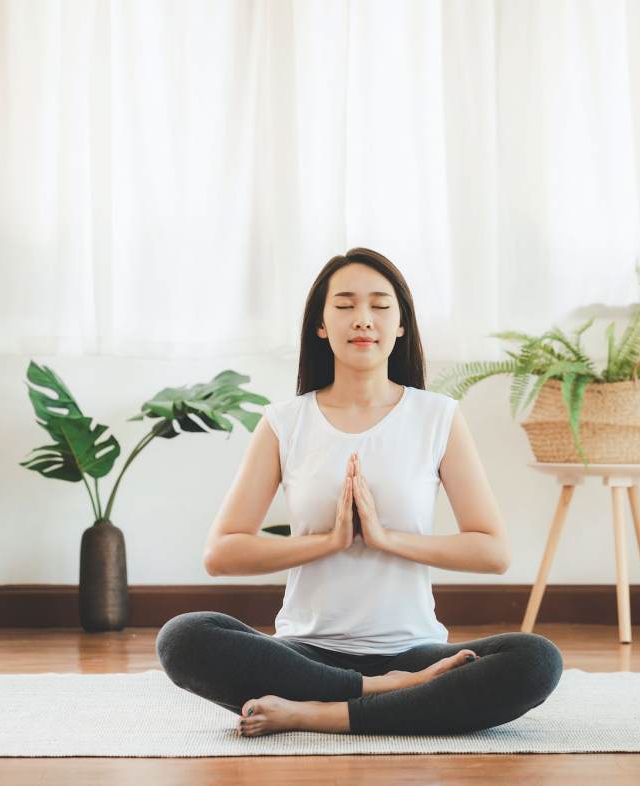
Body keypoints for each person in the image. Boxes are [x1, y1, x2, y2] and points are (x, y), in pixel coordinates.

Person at [156, 248, 562, 737]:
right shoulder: (284, 422)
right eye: (345, 305)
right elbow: (221, 554)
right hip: (306, 652)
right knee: (182, 638)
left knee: (536, 660)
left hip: (413, 651)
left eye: (379, 306)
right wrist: (329, 542)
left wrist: (385, 537)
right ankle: (381, 695)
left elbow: (493, 552)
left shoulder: (438, 417)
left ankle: (317, 713)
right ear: (321, 325)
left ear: (401, 325)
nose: (362, 319)